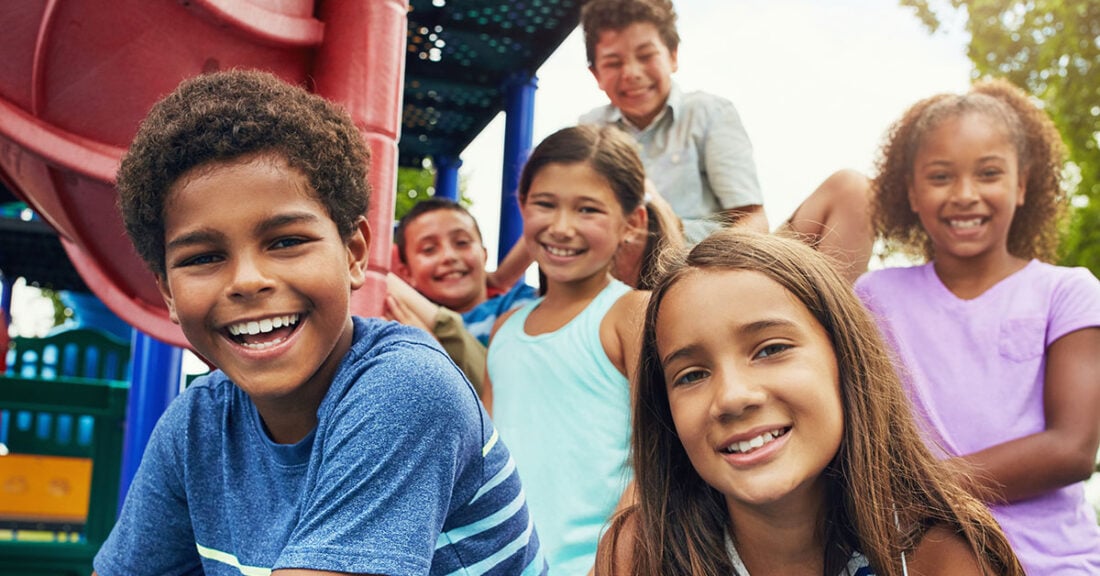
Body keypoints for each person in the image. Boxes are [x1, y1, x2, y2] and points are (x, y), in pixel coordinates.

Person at [93, 70, 545, 576]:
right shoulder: (195, 427)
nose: (247, 280)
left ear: (354, 254)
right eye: (203, 257)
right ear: (167, 293)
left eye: (286, 241)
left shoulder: (407, 389)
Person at [597, 228, 1023, 576]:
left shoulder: (944, 553)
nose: (731, 397)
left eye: (770, 349)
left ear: (845, 358)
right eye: (691, 375)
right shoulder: (638, 555)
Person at [855, 78, 1100, 574]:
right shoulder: (875, 298)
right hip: (920, 558)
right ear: (911, 192)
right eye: (941, 176)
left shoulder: (1068, 291)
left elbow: (1073, 448)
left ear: (1023, 183)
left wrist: (919, 489)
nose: (965, 195)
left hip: (1056, 561)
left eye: (988, 173)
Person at [578, 0, 874, 282]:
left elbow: (753, 220)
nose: (631, 73)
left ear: (672, 56)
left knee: (852, 189)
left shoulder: (708, 113)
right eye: (614, 62)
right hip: (634, 274)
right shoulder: (590, 132)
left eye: (646, 56)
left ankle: (828, 320)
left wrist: (714, 268)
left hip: (724, 261)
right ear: (595, 75)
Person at [486, 125, 667, 575]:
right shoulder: (506, 327)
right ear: (522, 205)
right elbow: (484, 460)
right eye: (545, 204)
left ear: (632, 223)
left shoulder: (631, 314)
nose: (561, 227)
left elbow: (657, 465)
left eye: (587, 209)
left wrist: (608, 567)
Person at [392, 197, 537, 346]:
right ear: (406, 273)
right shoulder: (402, 324)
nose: (449, 256)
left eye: (462, 242)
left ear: (484, 254)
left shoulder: (522, 304)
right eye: (429, 249)